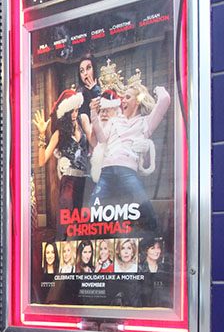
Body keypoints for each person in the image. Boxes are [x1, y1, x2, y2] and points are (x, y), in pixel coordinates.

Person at [90, 75, 170, 233]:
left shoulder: (144, 123)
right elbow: (101, 138)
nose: (123, 100)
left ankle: (155, 239)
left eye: (127, 97)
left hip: (127, 171)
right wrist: (93, 113)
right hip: (107, 171)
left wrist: (157, 90)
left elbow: (165, 100)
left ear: (137, 101)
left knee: (144, 205)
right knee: (94, 206)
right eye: (123, 97)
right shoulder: (114, 121)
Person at [33, 89, 93, 223]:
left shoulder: (82, 121)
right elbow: (42, 161)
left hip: (85, 179)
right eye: (71, 111)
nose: (74, 114)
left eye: (76, 110)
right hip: (69, 182)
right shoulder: (60, 133)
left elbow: (93, 141)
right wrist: (42, 134)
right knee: (68, 220)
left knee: (86, 222)